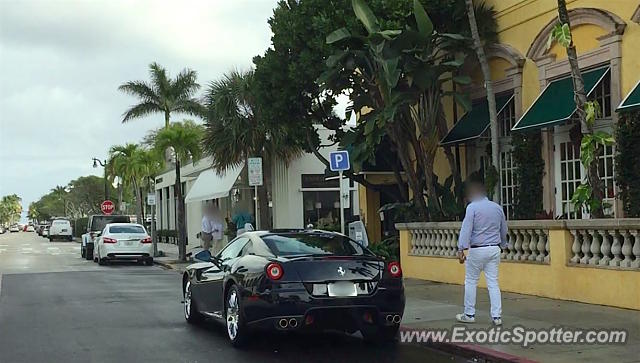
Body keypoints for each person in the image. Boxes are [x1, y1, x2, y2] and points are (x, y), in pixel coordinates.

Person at [455, 181, 508, 326]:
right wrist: (503, 245)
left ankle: (469, 314)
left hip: (477, 249)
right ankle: (497, 316)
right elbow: (504, 229)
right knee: (493, 283)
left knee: (471, 281)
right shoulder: (497, 208)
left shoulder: (472, 208)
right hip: (494, 248)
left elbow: (467, 229)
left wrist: (461, 249)